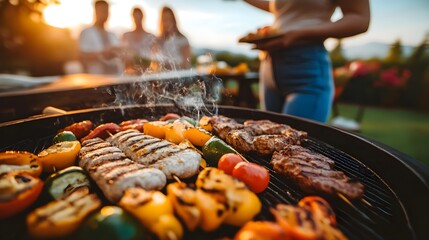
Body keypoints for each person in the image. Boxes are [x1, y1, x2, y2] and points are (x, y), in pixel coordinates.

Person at [243, 0, 370, 123]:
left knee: (295, 140)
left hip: (305, 66)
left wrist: (299, 34)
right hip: (269, 65)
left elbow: (360, 19)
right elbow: (281, 7)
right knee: (266, 138)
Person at [79, 0, 122, 75]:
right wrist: (102, 53)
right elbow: (81, 56)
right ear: (95, 12)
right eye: (102, 11)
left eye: (106, 11)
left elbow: (120, 56)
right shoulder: (86, 33)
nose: (105, 14)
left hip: (115, 78)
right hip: (96, 79)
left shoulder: (113, 35)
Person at [153, 6, 191, 70]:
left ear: (174, 20)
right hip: (162, 77)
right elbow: (154, 63)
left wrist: (170, 66)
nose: (167, 22)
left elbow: (186, 64)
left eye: (169, 19)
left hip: (180, 76)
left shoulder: (182, 39)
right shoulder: (157, 41)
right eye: (164, 20)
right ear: (161, 22)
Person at [122, 7, 158, 72]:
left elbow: (156, 57)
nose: (137, 19)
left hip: (147, 72)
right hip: (130, 72)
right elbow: (123, 55)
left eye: (139, 17)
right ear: (132, 18)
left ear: (142, 17)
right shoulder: (126, 36)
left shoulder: (151, 37)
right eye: (135, 17)